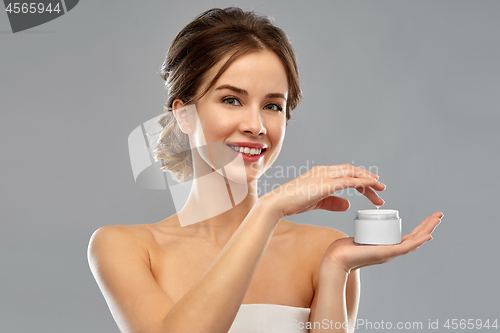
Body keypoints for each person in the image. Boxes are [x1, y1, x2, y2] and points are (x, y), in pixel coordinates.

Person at [87, 7, 442, 333]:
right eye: (231, 100)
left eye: (273, 105)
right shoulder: (125, 248)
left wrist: (336, 267)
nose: (256, 125)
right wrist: (269, 210)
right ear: (183, 113)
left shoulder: (322, 252)